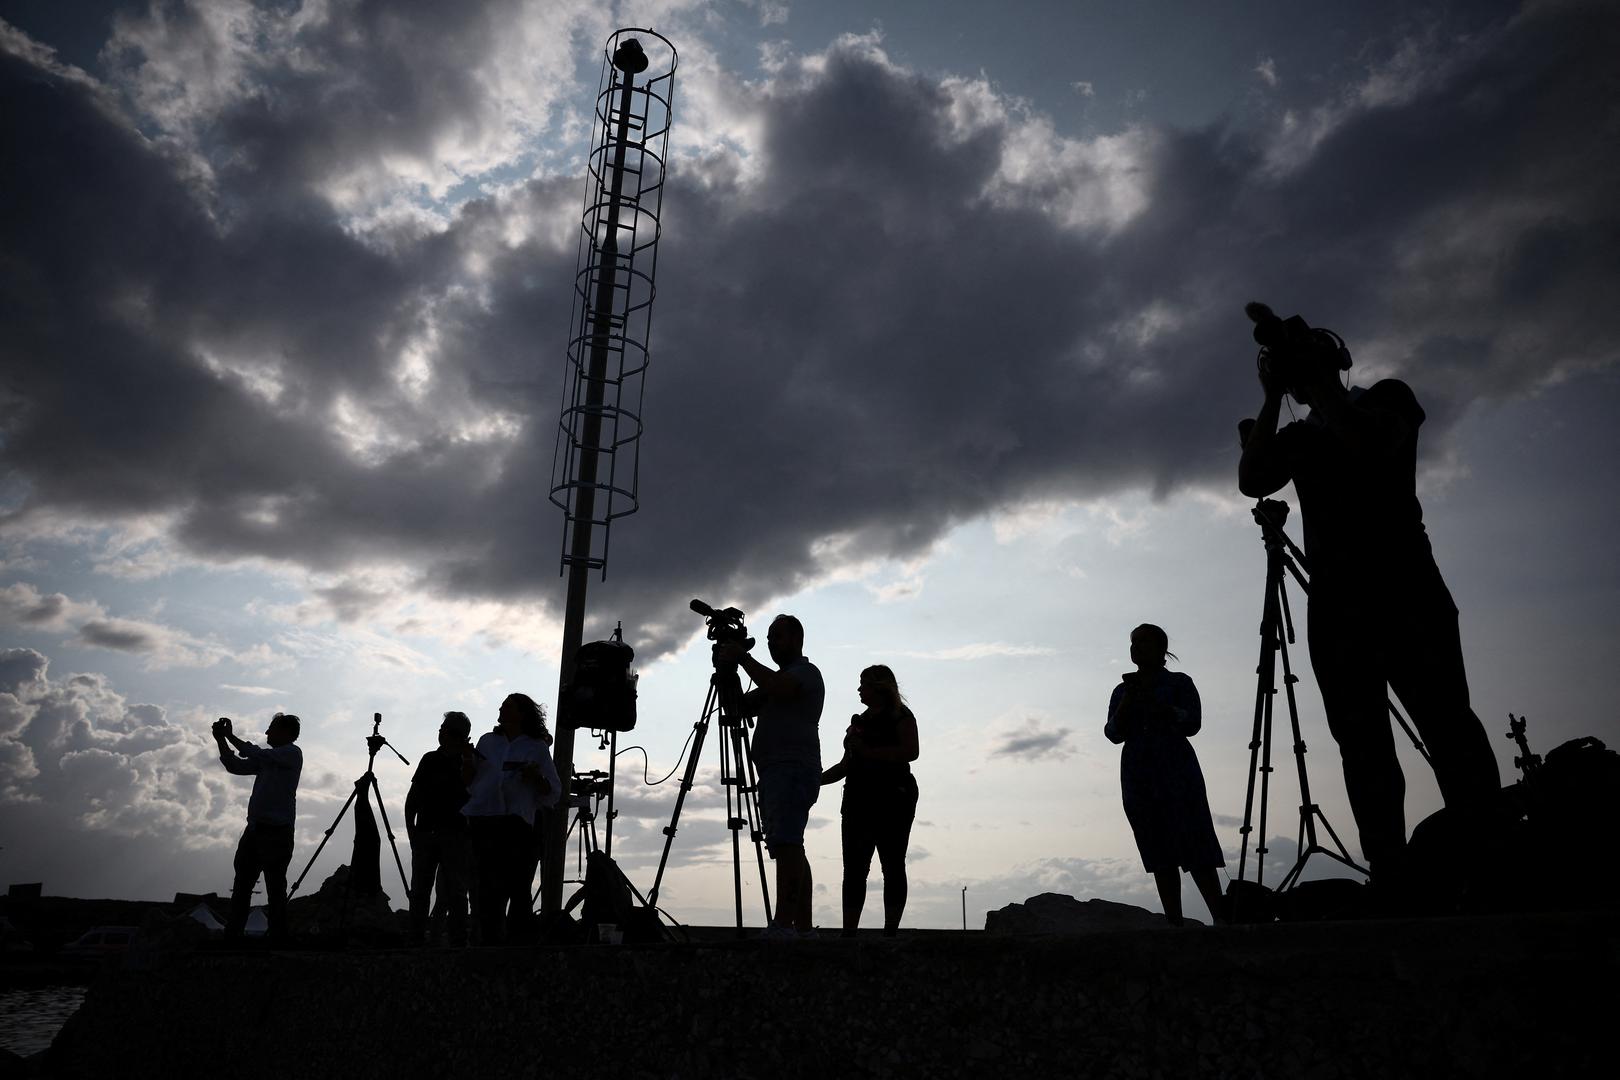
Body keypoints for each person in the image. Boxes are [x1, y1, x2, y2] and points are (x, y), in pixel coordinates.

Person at [1238, 310, 1502, 884]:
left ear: (1335, 358)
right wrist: (1271, 398)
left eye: (1312, 352)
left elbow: (1368, 446)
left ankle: (1490, 857)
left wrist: (1319, 386)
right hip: (1338, 608)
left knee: (1448, 726)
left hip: (1407, 591)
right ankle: (1393, 869)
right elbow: (1253, 478)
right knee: (1362, 748)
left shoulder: (1388, 399)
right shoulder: (1300, 437)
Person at [1104, 625, 1225, 927]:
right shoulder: (1121, 691)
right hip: (1138, 773)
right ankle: (1175, 924)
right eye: (1133, 642)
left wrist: (1160, 707)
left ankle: (1223, 921)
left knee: (1196, 843)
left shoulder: (1179, 683)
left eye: (1143, 642)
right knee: (1157, 847)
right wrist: (1128, 705)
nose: (1136, 648)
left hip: (1176, 769)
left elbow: (1193, 722)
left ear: (1161, 648)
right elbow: (1112, 733)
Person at [717, 614, 824, 938]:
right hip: (776, 771)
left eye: (777, 637)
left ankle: (784, 924)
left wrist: (743, 657)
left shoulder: (804, 673)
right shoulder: (774, 680)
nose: (771, 643)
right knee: (789, 846)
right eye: (769, 638)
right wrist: (726, 672)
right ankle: (802, 927)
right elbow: (736, 708)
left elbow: (778, 687)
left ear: (796, 640)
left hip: (791, 769)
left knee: (788, 844)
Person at [820, 664, 919, 937]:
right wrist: (816, 780)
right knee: (854, 869)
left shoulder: (901, 716)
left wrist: (869, 751)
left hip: (893, 799)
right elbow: (846, 765)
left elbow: (911, 751)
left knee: (893, 864)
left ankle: (890, 933)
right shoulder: (859, 722)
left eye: (863, 683)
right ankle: (849, 933)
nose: (859, 689)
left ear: (879, 687)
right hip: (858, 800)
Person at [462, 693, 560, 945]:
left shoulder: (536, 747)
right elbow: (469, 782)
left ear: (522, 713)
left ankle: (518, 947)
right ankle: (489, 944)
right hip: (484, 819)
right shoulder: (487, 742)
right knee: (486, 889)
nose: (501, 708)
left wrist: (535, 779)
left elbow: (554, 792)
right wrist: (467, 763)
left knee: (518, 887)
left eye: (508, 705)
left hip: (517, 824)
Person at [213, 712, 303, 943]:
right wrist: (221, 740)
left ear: (285, 732)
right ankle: (233, 935)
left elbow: (255, 753)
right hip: (254, 831)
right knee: (242, 885)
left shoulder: (292, 754)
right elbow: (235, 766)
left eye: (271, 729)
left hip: (277, 832)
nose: (266, 733)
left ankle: (278, 936)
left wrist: (230, 736)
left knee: (274, 887)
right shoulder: (268, 760)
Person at [405, 711, 477, 946]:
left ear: (451, 733)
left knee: (455, 892)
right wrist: (412, 832)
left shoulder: (470, 762)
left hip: (455, 835)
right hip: (427, 833)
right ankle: (416, 939)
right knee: (420, 892)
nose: (439, 732)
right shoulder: (429, 759)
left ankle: (457, 941)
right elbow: (413, 798)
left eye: (443, 728)